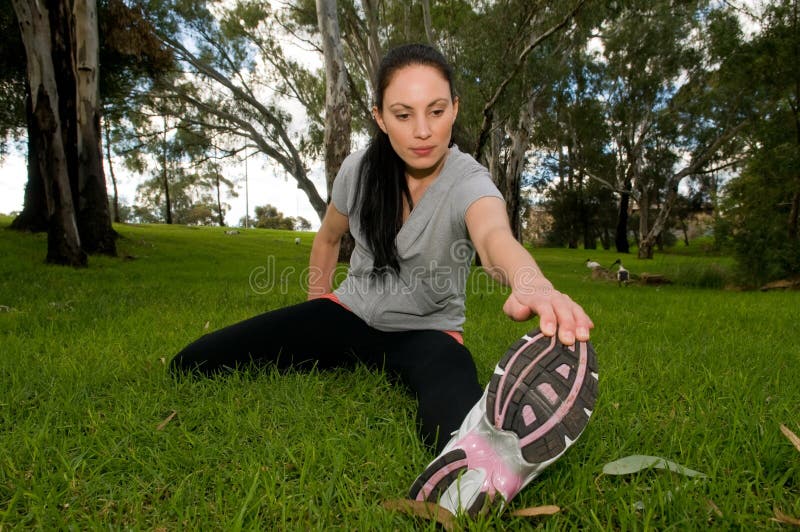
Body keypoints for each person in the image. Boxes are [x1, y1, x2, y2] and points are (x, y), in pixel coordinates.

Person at [170, 43, 597, 516]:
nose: (422, 131)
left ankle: (497, 466)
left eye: (436, 111)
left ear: (455, 108)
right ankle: (335, 350)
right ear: (379, 116)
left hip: (427, 332)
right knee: (193, 362)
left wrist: (530, 282)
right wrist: (319, 306)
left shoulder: (469, 182)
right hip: (350, 314)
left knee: (453, 426)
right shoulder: (359, 169)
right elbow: (328, 238)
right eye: (403, 113)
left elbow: (495, 237)